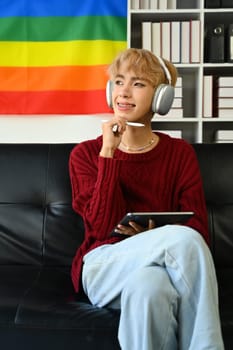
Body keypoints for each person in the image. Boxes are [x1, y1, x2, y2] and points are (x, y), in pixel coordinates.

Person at [69, 48, 224, 350]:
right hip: (103, 267)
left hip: (161, 269)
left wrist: (154, 238)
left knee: (150, 290)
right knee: (182, 240)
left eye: (138, 83)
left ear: (160, 96)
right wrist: (109, 153)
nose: (124, 92)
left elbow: (199, 231)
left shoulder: (179, 154)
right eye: (118, 81)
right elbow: (101, 230)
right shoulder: (87, 155)